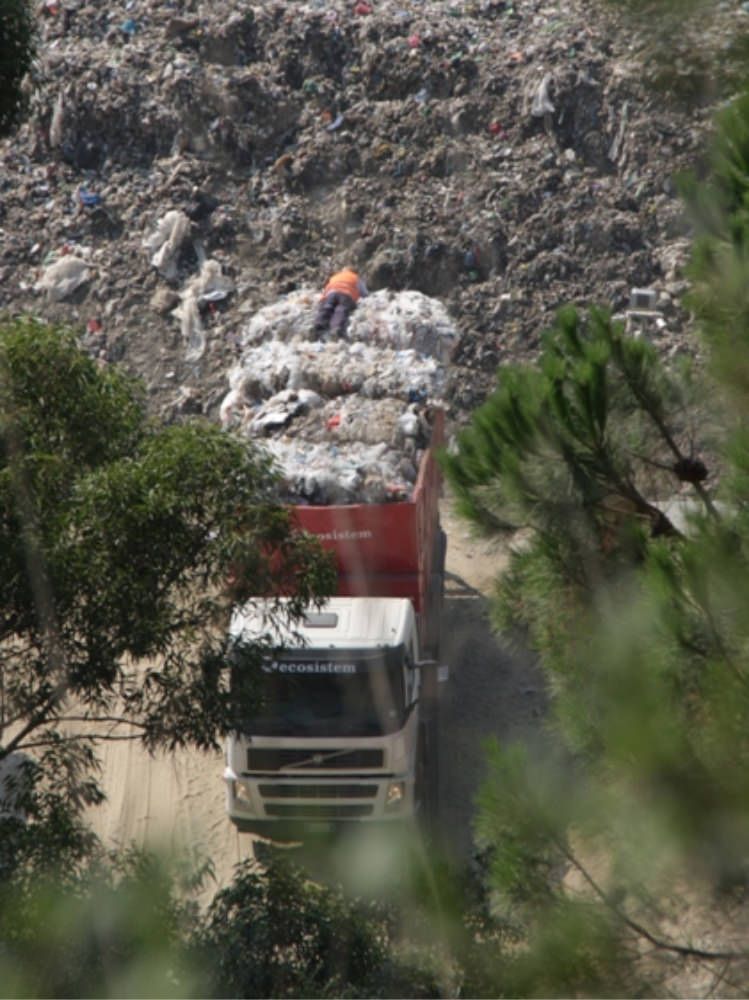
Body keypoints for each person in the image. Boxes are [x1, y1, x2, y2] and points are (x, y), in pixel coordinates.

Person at [314, 267, 368, 339]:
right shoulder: (356, 278)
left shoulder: (335, 277)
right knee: (341, 309)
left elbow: (327, 289)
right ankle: (336, 328)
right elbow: (364, 293)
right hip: (346, 295)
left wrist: (323, 299)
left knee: (327, 307)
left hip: (331, 293)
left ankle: (319, 325)